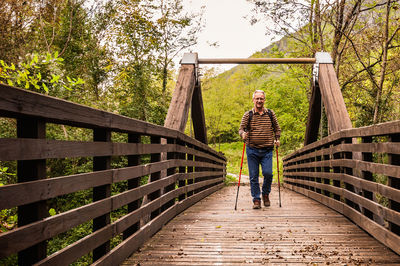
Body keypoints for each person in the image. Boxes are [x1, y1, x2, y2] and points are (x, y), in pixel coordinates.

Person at [238, 90, 281, 209]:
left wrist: (277, 138)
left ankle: (265, 194)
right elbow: (241, 129)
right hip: (252, 149)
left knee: (268, 174)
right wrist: (242, 135)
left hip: (267, 150)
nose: (259, 101)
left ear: (264, 100)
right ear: (253, 100)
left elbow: (277, 129)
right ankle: (256, 199)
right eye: (257, 98)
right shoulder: (248, 115)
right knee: (253, 176)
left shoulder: (270, 114)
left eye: (261, 98)